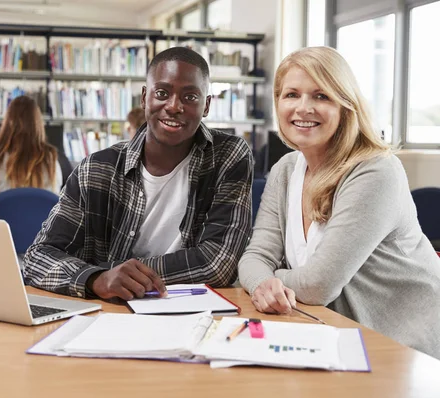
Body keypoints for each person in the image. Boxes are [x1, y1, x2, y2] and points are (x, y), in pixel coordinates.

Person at [238, 46, 440, 359]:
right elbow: (256, 255)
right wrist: (263, 279)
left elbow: (319, 285)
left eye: (321, 96)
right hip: (330, 335)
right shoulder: (286, 170)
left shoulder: (375, 171)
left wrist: (265, 281)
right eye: (292, 94)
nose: (303, 108)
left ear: (346, 105)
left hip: (402, 348)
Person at [24, 46, 253, 301]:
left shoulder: (227, 155)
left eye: (190, 97)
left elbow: (219, 262)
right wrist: (97, 279)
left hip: (193, 311)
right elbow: (37, 257)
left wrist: (122, 275)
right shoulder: (95, 170)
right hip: (111, 313)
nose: (174, 106)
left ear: (207, 105)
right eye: (162, 93)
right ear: (145, 97)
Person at [0, 96, 62, 198]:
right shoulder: (50, 161)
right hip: (41, 214)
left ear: (6, 122)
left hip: (4, 214)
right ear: (38, 124)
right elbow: (55, 200)